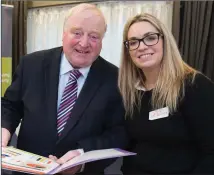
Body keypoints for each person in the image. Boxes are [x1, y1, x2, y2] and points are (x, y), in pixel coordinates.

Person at [1, 3, 127, 175]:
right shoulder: (31, 65)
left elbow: (117, 133)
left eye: (94, 36)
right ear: (63, 34)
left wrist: (82, 156)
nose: (84, 43)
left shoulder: (115, 79)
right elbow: (10, 105)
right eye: (77, 33)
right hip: (28, 171)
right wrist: (4, 129)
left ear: (102, 40)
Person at [118, 13, 214, 174]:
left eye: (150, 38)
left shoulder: (194, 85)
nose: (141, 47)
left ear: (165, 41)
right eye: (133, 42)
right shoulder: (131, 92)